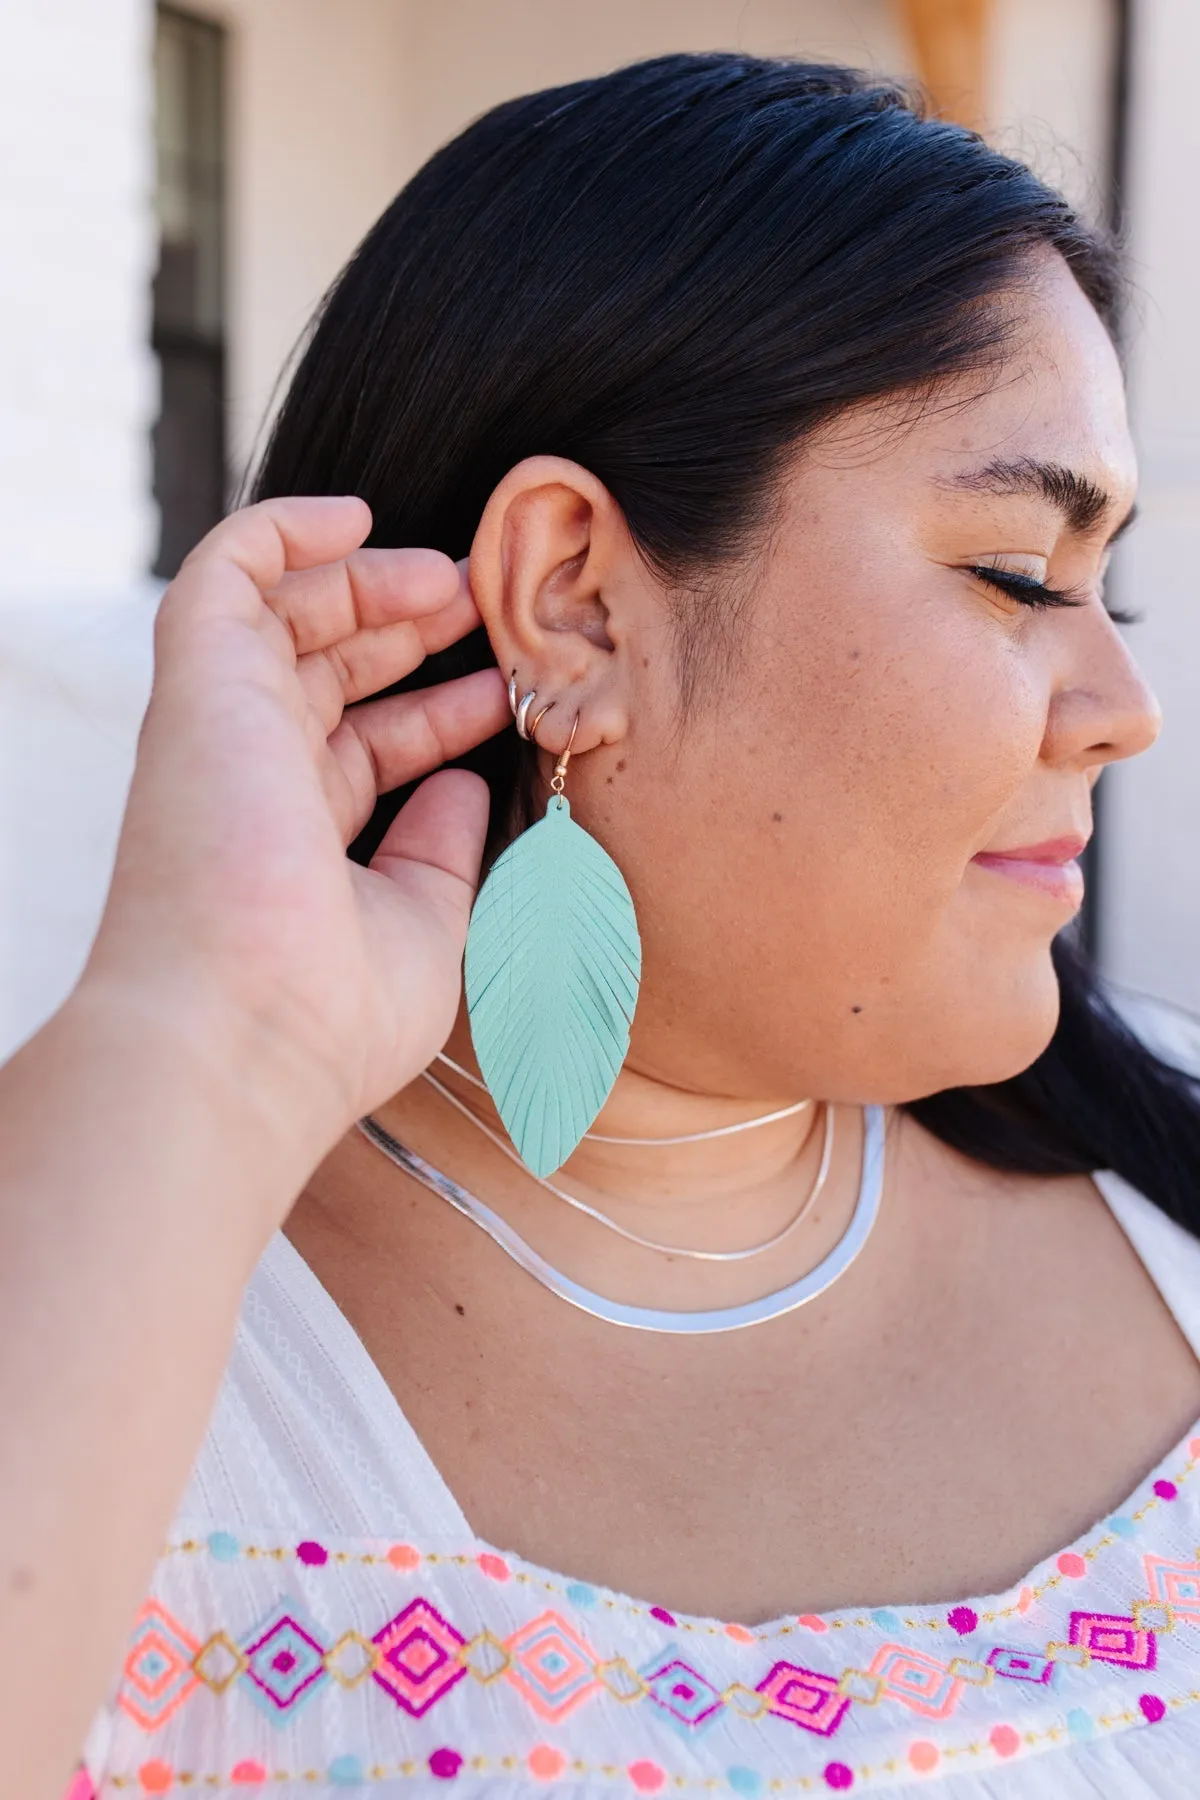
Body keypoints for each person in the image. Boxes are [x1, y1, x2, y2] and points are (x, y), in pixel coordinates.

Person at [5, 51, 1200, 1800]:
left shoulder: (1164, 1174)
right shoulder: (115, 1322)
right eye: (1020, 575)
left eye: (1116, 592)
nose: (1123, 705)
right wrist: (219, 1033)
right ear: (573, 603)